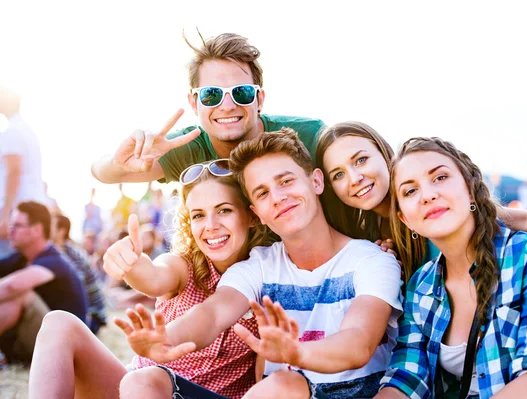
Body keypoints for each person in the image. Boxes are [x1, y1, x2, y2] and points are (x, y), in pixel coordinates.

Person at [115, 129, 403, 399]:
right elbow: (212, 315)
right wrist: (164, 339)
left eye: (286, 181)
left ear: (316, 181)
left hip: (333, 392)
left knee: (283, 383)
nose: (278, 197)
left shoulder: (371, 260)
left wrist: (297, 353)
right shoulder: (260, 266)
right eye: (263, 193)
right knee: (141, 380)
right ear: (257, 213)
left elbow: (359, 342)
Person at [28, 163, 270, 399]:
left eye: (224, 210)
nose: (211, 226)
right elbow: (154, 277)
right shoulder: (184, 266)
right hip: (138, 389)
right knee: (58, 323)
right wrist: (132, 263)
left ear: (251, 215)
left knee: (147, 379)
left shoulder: (267, 274)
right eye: (198, 215)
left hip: (184, 391)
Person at [376, 137, 527, 398]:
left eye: (440, 177)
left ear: (470, 188)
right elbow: (406, 376)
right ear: (405, 219)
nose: (428, 195)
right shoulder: (421, 285)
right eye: (410, 191)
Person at [316, 121, 527, 278]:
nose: (354, 178)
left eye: (361, 160)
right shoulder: (360, 241)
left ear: (384, 153)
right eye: (338, 175)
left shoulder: (442, 208)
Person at [91, 32, 325, 185]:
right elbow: (100, 172)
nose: (227, 106)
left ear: (259, 99)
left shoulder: (310, 136)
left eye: (241, 92)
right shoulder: (186, 148)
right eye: (211, 95)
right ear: (194, 103)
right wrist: (118, 163)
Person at [0, 201, 87, 363]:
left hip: (66, 350)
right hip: (39, 342)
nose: (9, 230)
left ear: (37, 230)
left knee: (21, 295)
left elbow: (11, 286)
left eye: (17, 225)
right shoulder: (22, 258)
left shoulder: (55, 260)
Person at [0, 87, 47, 258]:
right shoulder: (26, 130)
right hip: (32, 208)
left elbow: (14, 172)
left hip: (19, 212)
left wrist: (6, 216)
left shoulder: (11, 132)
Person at [53, 214, 107, 333]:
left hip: (92, 317)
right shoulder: (61, 251)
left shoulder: (71, 254)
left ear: (61, 231)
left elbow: (75, 286)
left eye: (52, 225)